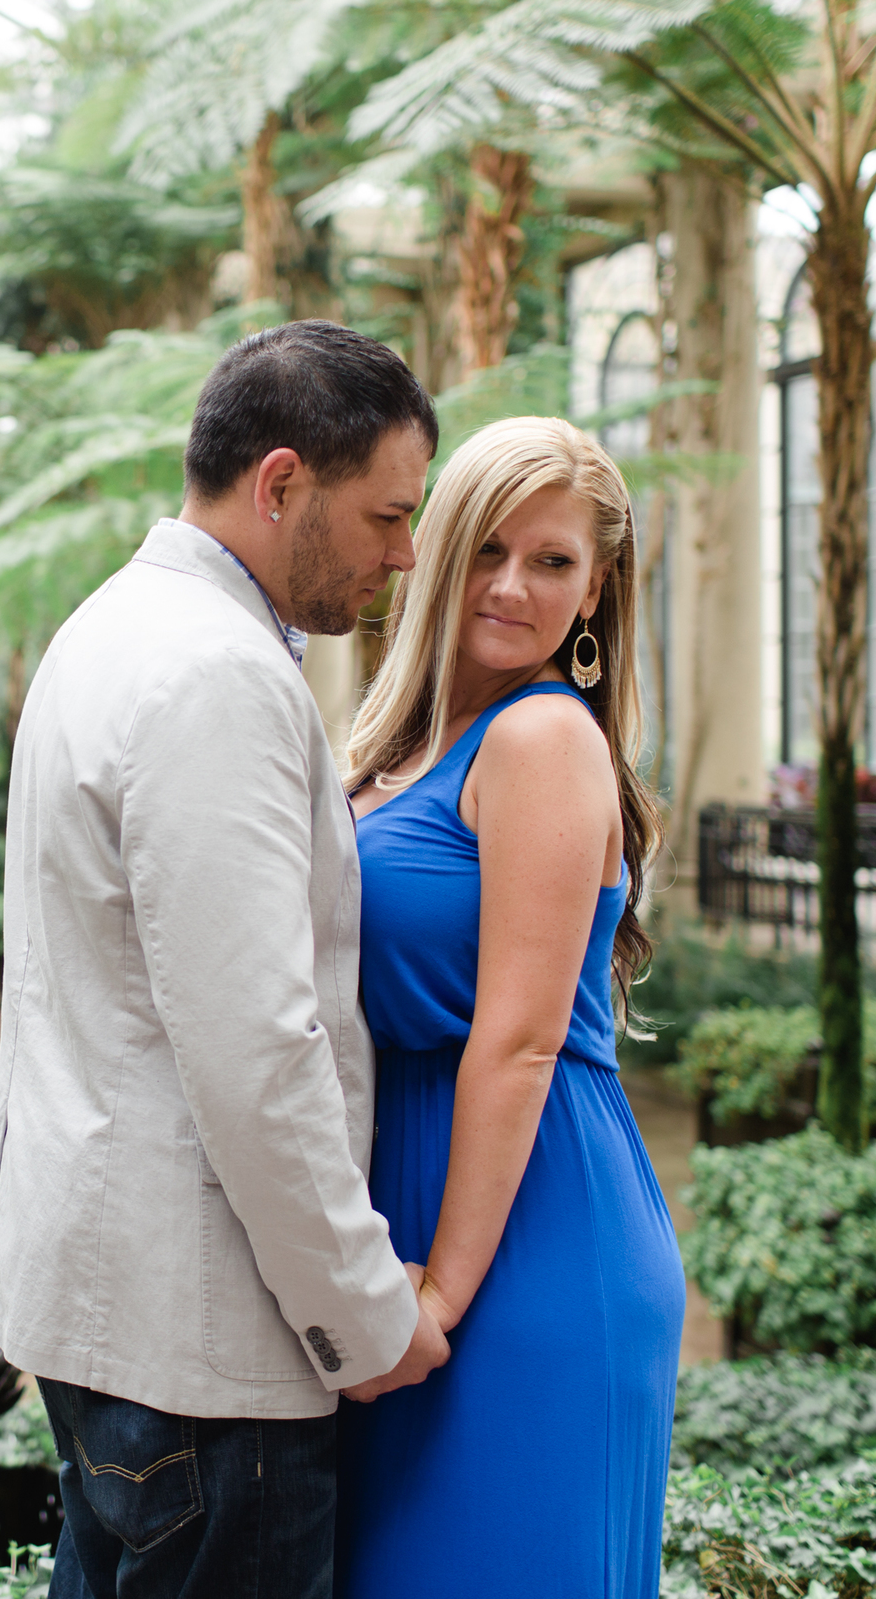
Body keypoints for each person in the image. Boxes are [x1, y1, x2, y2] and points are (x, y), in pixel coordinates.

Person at [0, 320, 451, 1599]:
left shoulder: (105, 628)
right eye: (387, 516)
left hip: (105, 1318)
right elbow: (255, 1050)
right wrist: (365, 1316)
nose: (405, 555)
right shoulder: (215, 674)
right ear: (281, 482)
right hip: (204, 1355)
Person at [335, 416, 686, 1599]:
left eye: (552, 561)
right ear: (436, 549)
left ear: (596, 592)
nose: (511, 586)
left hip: (525, 1233)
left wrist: (437, 1289)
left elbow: (523, 1037)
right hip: (411, 1206)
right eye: (488, 547)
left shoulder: (542, 735)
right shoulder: (392, 748)